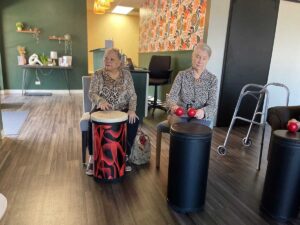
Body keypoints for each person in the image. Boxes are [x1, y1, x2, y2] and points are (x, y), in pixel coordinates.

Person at [86, 48, 139, 175]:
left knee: (134, 121)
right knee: (91, 122)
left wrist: (132, 110)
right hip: (102, 109)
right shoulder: (98, 74)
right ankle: (93, 157)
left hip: (122, 109)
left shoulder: (126, 75)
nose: (107, 61)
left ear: (119, 62)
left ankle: (125, 155)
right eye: (106, 58)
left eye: (111, 59)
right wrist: (100, 101)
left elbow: (132, 95)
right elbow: (91, 93)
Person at [167, 43, 217, 128]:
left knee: (194, 130)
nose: (200, 61)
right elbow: (172, 96)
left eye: (204, 58)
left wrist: (203, 112)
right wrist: (173, 106)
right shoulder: (181, 75)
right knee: (179, 129)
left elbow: (212, 104)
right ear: (192, 56)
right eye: (197, 56)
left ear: (208, 60)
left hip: (201, 117)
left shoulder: (212, 79)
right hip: (181, 114)